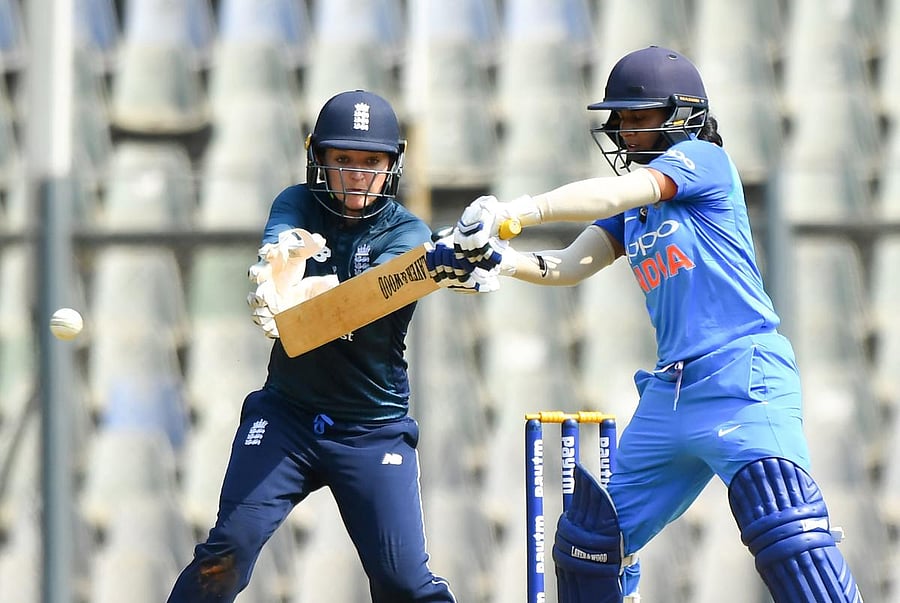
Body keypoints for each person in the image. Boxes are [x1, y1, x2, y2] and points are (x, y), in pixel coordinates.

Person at [429, 46, 864, 603]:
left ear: (682, 115)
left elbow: (614, 190)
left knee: (786, 533)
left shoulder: (703, 162)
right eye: (622, 123)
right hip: (671, 396)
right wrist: (499, 261)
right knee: (589, 547)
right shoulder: (634, 211)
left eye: (640, 119)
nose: (627, 134)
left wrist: (515, 212)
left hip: (743, 378)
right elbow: (568, 265)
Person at [167, 90, 457, 602]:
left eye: (371, 161)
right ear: (317, 158)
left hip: (370, 431)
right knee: (229, 549)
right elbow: (278, 249)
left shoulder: (407, 232)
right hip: (288, 418)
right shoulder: (296, 201)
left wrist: (304, 302)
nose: (356, 175)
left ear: (392, 165)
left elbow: (353, 309)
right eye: (342, 160)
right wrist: (276, 269)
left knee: (404, 584)